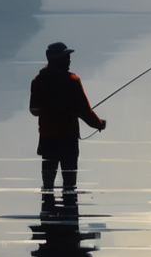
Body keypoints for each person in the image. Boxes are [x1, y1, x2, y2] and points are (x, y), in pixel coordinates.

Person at [29, 41, 105, 192]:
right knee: (69, 184)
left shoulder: (38, 81)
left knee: (47, 185)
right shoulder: (72, 82)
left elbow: (33, 110)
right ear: (57, 59)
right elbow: (85, 111)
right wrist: (99, 124)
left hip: (47, 139)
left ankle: (47, 211)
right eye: (65, 57)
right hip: (67, 140)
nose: (69, 60)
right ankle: (69, 211)